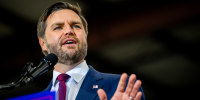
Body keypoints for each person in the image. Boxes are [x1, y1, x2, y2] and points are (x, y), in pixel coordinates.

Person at [37, 1, 145, 100]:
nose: (69, 31)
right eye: (58, 27)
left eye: (76, 26)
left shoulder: (121, 87)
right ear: (43, 44)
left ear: (85, 36)